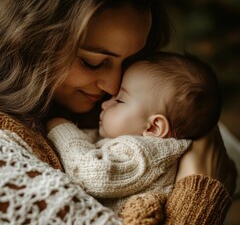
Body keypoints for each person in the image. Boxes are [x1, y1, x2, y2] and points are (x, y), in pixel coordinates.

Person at [0, 0, 236, 224]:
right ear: (33, 42)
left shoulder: (160, 122)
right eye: (93, 62)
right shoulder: (8, 150)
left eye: (131, 61)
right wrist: (198, 203)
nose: (113, 87)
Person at [46, 51, 222, 215]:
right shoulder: (135, 143)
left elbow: (93, 172)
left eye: (120, 100)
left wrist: (62, 129)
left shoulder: (145, 152)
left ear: (153, 128)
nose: (105, 103)